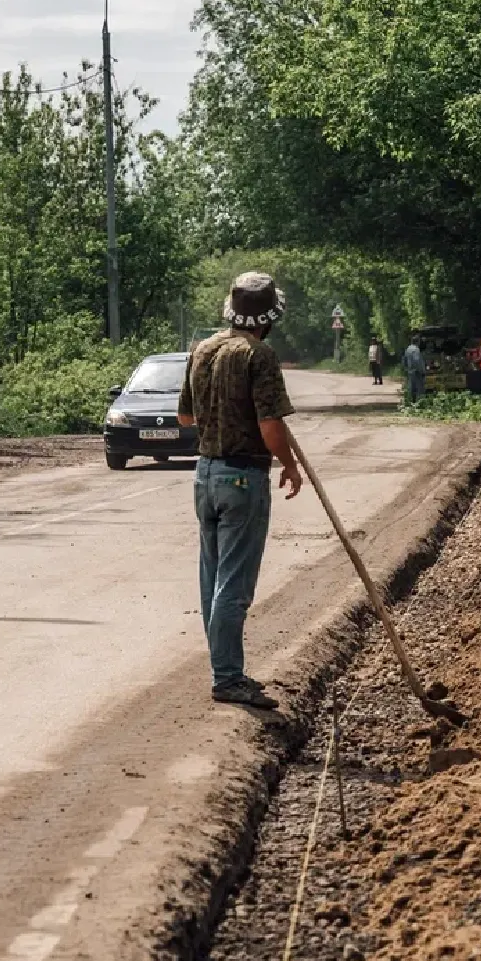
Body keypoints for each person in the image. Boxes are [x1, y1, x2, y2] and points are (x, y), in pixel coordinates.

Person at [177, 272, 303, 711]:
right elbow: (270, 427)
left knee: (213, 578)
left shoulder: (203, 349)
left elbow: (186, 419)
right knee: (234, 583)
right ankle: (228, 678)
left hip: (205, 474)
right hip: (242, 477)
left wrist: (223, 411)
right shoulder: (259, 355)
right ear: (269, 319)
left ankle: (224, 668)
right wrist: (289, 464)